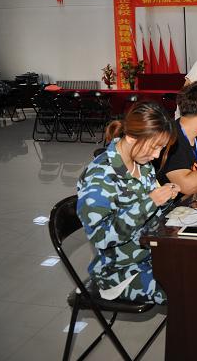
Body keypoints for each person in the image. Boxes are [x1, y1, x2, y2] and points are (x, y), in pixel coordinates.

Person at [77, 101, 179, 304]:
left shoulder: (143, 164)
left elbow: (152, 216)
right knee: (191, 289)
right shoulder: (100, 177)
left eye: (161, 148)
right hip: (121, 272)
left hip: (153, 254)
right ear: (132, 137)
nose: (157, 155)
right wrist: (151, 202)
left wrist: (167, 199)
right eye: (154, 147)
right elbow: (101, 237)